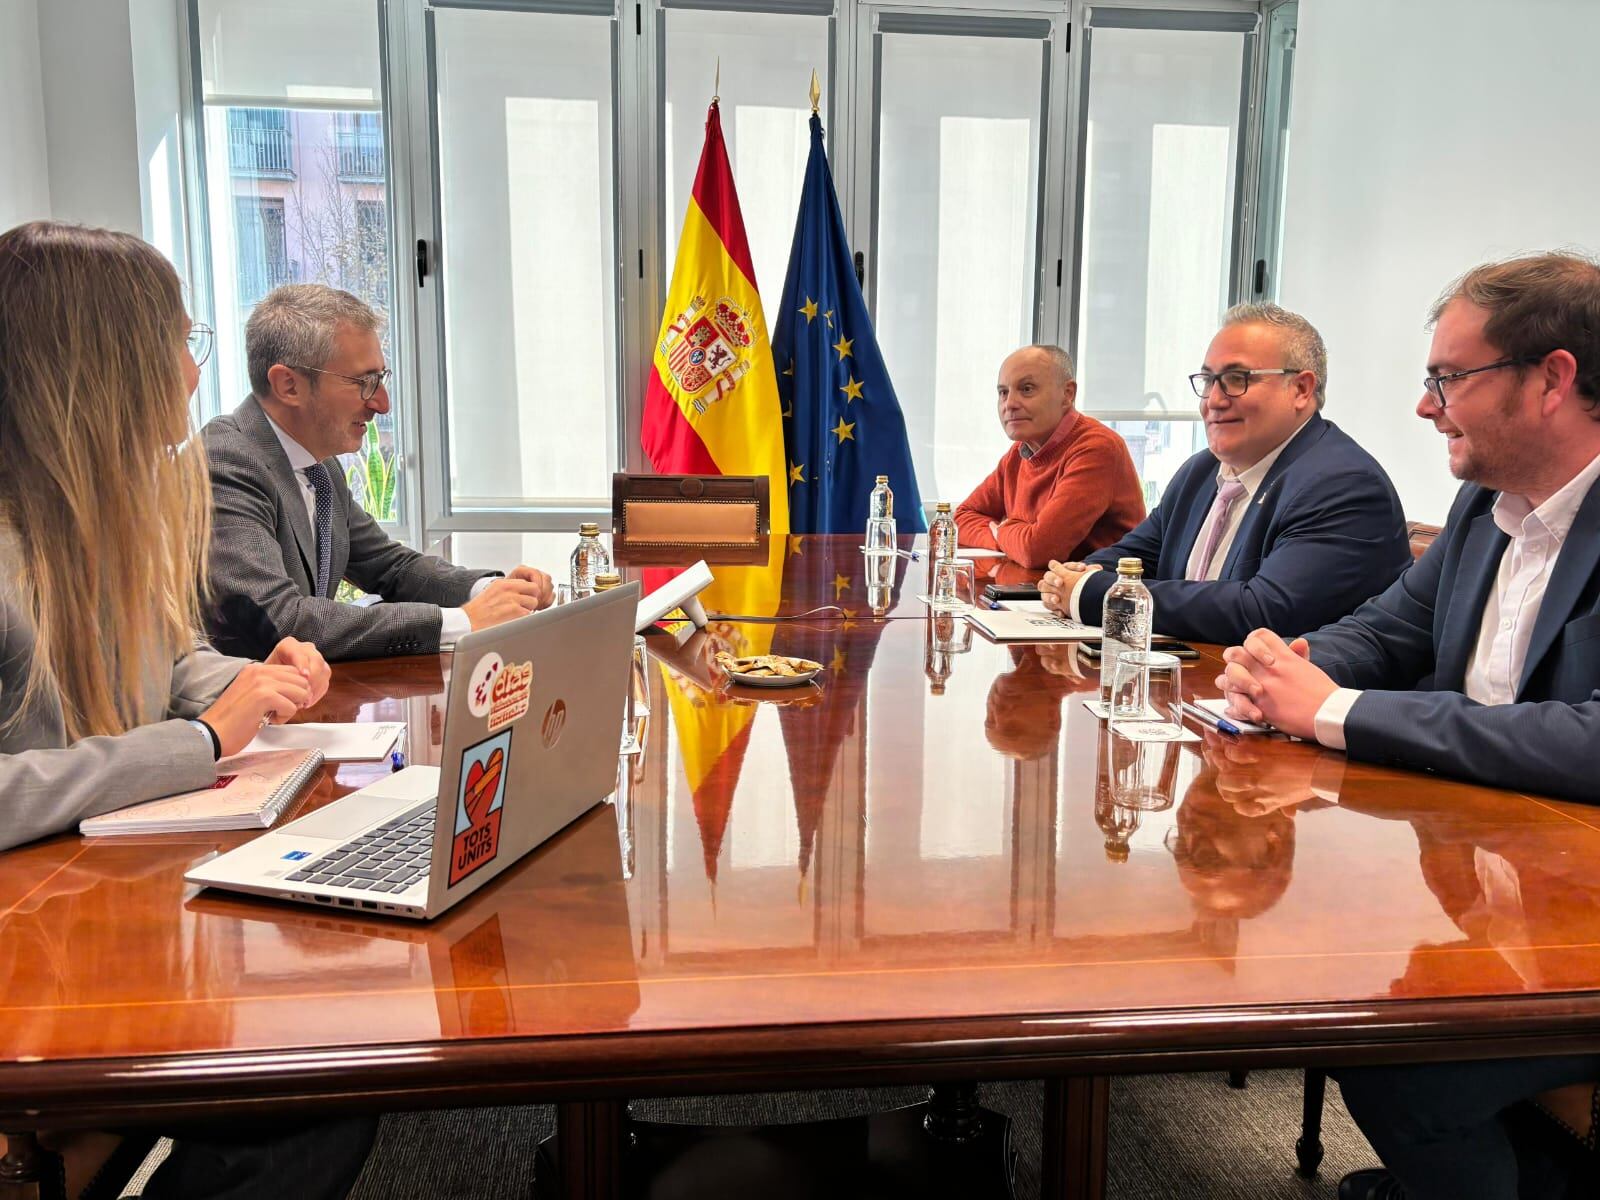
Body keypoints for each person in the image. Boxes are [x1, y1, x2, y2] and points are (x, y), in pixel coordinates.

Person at [1214, 252, 1600, 1200]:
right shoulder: (1486, 506)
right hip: (1498, 877)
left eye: (1448, 379)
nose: (1427, 408)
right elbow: (1392, 625)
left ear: (1551, 379)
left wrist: (1337, 712)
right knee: (1360, 997)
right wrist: (1291, 666)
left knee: (1400, 1056)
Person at [0, 221, 374, 1197]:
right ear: (104, 364)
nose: (195, 373)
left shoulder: (97, 513)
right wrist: (204, 737)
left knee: (337, 1038)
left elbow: (163, 659)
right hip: (38, 950)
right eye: (180, 341)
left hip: (104, 900)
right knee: (318, 1081)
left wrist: (251, 688)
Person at [203, 284, 554, 661]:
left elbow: (389, 567)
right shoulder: (227, 461)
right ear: (289, 385)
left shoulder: (319, 466)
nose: (381, 404)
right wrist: (462, 621)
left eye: (380, 379)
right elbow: (281, 620)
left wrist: (487, 592)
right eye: (363, 382)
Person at [1039, 304, 1411, 644]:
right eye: (1207, 380)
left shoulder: (1343, 484)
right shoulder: (1200, 472)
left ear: (1300, 389)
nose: (1213, 400)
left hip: (1276, 710)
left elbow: (1262, 613)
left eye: (1236, 379)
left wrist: (1090, 593)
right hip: (1192, 687)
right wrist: (1076, 575)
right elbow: (1132, 559)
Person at [953, 344, 1145, 568]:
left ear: (1067, 394)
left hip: (1101, 596)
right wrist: (1008, 538)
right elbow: (961, 518)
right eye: (1003, 392)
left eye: (1026, 389)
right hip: (1041, 591)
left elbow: (1038, 550)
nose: (1010, 404)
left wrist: (1003, 530)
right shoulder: (1019, 453)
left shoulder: (1097, 448)